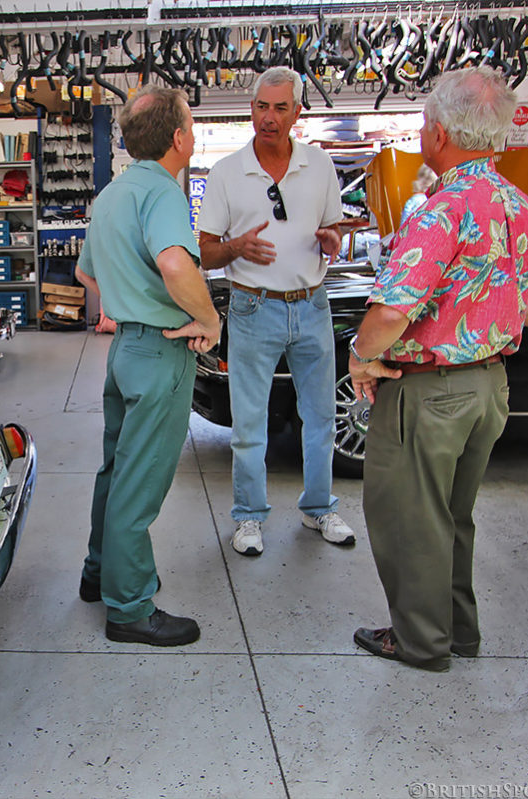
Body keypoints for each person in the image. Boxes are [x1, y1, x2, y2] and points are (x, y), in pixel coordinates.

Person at [347, 66, 528, 672]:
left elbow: (390, 313)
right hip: (489, 389)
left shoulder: (442, 209)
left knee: (408, 514)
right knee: (453, 515)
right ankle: (458, 630)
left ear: (437, 132)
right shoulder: (522, 208)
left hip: (431, 393)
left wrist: (361, 355)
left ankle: (420, 640)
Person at [74, 85, 221, 647]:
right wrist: (209, 320)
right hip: (160, 350)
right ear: (180, 137)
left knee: (115, 469)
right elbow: (174, 261)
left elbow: (88, 275)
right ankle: (130, 607)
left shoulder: (112, 194)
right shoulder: (163, 192)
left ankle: (98, 574)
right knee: (141, 480)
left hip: (122, 353)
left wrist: (124, 300)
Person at [196, 66, 355, 557]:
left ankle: (318, 506)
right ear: (250, 110)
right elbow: (204, 252)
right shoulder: (226, 173)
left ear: (296, 113)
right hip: (252, 308)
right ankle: (248, 516)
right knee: (249, 423)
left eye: (280, 108)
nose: (269, 117)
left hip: (312, 305)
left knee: (321, 416)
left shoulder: (320, 166)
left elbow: (333, 229)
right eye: (261, 107)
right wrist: (236, 247)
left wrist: (333, 238)